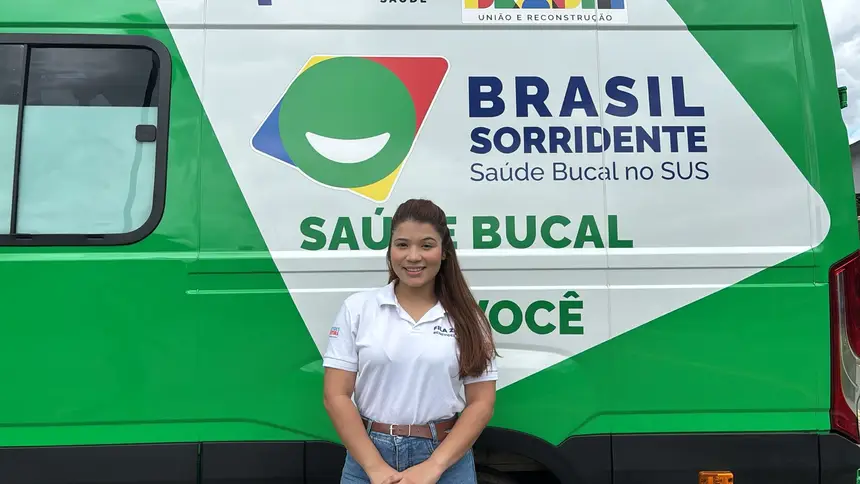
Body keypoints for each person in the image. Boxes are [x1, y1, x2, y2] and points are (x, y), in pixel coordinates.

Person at [322, 198, 499, 484]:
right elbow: (336, 395)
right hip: (368, 458)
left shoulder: (469, 318)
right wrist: (375, 468)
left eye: (426, 245)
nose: (413, 256)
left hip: (446, 459)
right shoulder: (358, 308)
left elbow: (481, 402)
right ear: (390, 250)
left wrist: (434, 466)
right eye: (402, 245)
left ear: (444, 252)